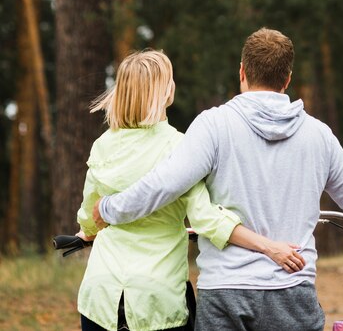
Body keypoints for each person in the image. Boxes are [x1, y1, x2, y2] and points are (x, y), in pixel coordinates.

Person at [94, 29, 343, 331]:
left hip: (225, 295)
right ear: (287, 78)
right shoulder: (318, 135)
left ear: (242, 72)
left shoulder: (214, 126)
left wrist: (109, 209)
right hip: (293, 292)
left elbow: (164, 184)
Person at [76, 49, 305, 331]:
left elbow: (90, 215)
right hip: (156, 300)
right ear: (165, 92)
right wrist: (269, 246)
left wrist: (87, 231)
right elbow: (206, 218)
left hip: (101, 297)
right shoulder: (180, 147)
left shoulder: (102, 145)